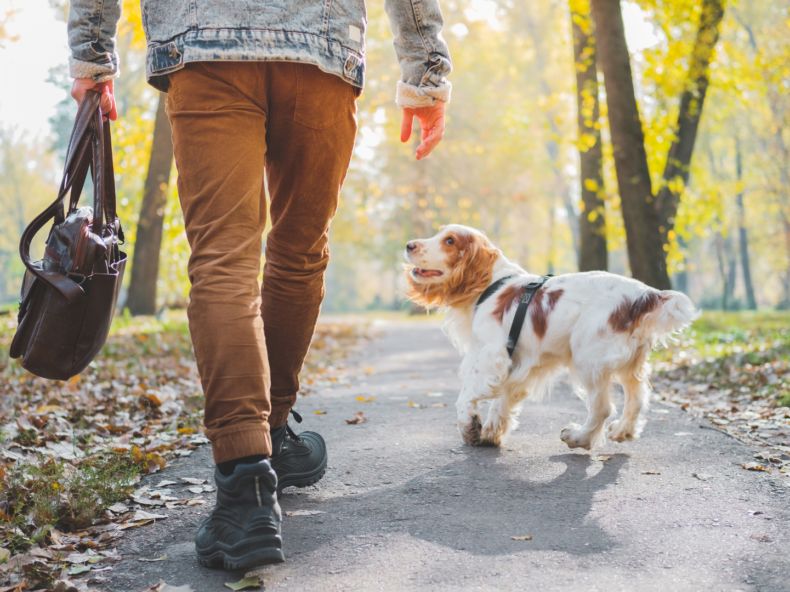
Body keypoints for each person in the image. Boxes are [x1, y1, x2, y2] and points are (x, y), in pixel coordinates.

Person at [67, 0, 452, 571]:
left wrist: (92, 58)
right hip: (319, 48)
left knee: (224, 261)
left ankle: (246, 480)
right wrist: (425, 72)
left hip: (203, 48)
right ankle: (268, 433)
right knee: (298, 253)